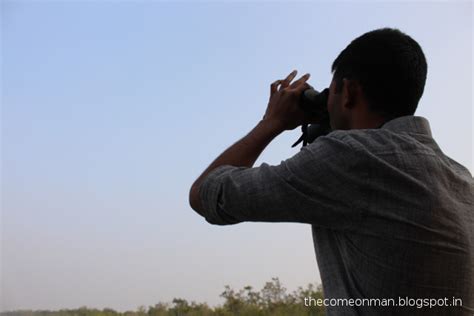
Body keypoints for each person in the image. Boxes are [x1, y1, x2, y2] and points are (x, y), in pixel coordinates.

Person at [188, 28, 473, 315]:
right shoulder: (462, 179)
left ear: (348, 92)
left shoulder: (351, 157)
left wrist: (271, 122)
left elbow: (206, 195)